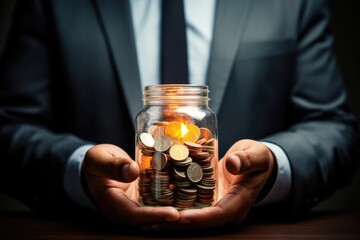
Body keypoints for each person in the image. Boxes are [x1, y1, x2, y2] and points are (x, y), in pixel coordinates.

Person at [0, 0, 359, 230]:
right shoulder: (52, 5)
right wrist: (79, 170)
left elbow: (333, 127)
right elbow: (10, 127)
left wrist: (273, 166)